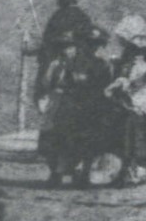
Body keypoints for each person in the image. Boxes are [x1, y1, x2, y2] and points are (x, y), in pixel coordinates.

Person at [36, 26, 110, 187]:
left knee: (88, 140)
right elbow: (47, 83)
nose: (93, 47)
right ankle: (56, 173)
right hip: (66, 104)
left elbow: (102, 84)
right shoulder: (66, 63)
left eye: (96, 44)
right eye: (89, 43)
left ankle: (84, 173)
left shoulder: (101, 63)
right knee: (57, 137)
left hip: (89, 105)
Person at [105, 16, 146, 187]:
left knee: (142, 139)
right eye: (133, 50)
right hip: (127, 105)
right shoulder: (125, 65)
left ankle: (142, 170)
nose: (136, 54)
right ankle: (126, 170)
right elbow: (120, 81)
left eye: (140, 51)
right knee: (125, 137)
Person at [38, 0, 96, 70]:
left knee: (47, 76)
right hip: (79, 58)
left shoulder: (59, 15)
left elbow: (48, 36)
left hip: (61, 57)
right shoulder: (83, 16)